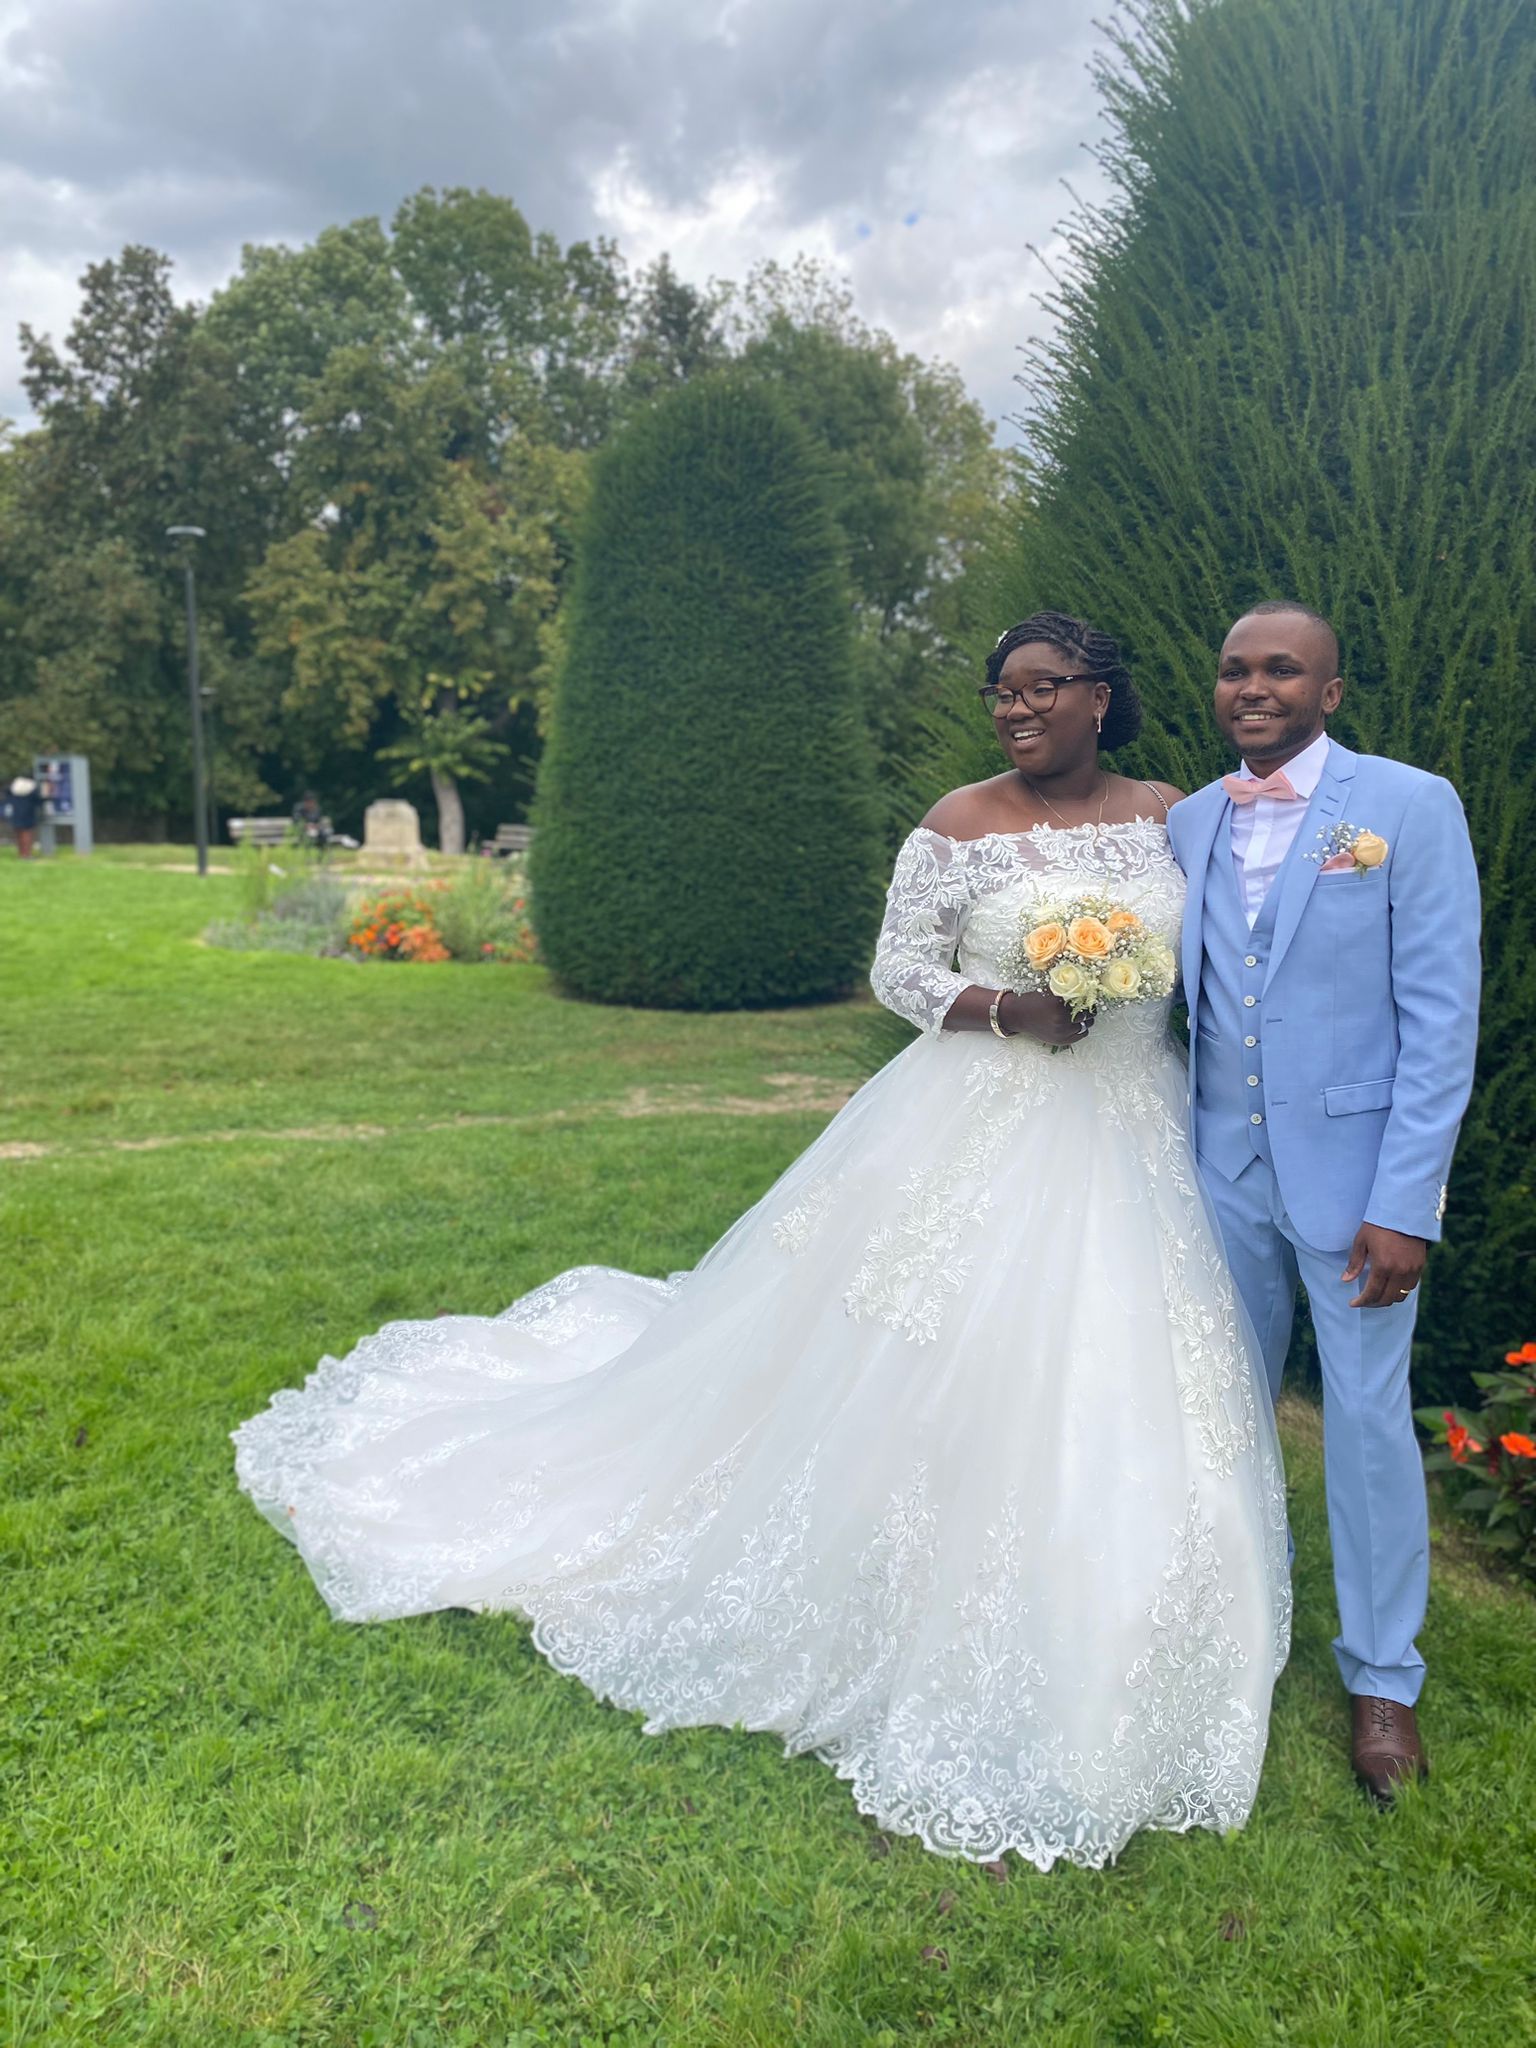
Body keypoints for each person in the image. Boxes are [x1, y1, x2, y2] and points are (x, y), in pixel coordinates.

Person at [234, 611, 1289, 1872]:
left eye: (1042, 688)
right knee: (932, 1354)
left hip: (1135, 1122)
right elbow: (899, 970)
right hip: (986, 1114)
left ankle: (1136, 1605)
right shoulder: (958, 823)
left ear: (1101, 696)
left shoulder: (1171, 813)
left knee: (1136, 1366)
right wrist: (1005, 1006)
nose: (1017, 709)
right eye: (1001, 692)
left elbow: (1222, 946)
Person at [1166, 600, 1480, 1804]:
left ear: (1329, 691)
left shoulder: (1408, 806)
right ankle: (1238, 1626)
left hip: (1358, 1186)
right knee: (1222, 1409)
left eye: (1282, 669)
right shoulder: (1190, 820)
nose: (1254, 686)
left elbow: (1441, 1020)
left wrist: (1408, 1201)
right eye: (1235, 668)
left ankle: (1383, 1677)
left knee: (1363, 1418)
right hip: (1220, 1169)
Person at [5, 775, 42, 859]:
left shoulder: (12, 791)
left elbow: (7, 795)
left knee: (19, 835)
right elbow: (38, 802)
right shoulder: (32, 792)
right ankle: (27, 854)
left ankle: (21, 854)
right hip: (28, 815)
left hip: (15, 815)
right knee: (27, 835)